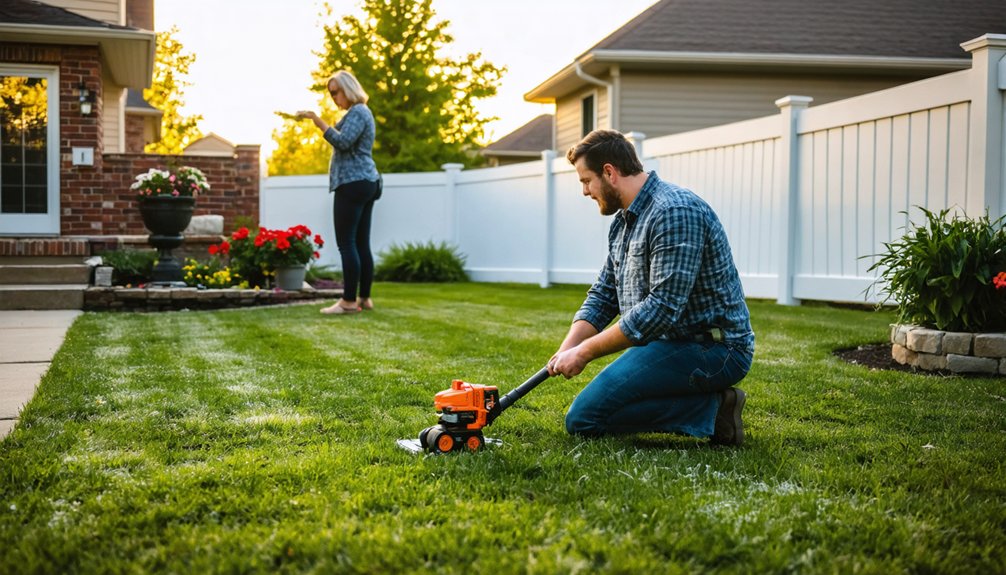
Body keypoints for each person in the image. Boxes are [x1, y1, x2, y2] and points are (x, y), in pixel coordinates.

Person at [546, 130, 754, 446]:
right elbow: (604, 294)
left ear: (609, 172)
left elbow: (662, 308)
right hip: (666, 345)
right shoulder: (624, 222)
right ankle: (705, 405)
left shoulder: (675, 211)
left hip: (714, 349)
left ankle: (715, 411)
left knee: (584, 419)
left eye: (585, 181)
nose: (585, 191)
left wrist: (585, 352)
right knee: (593, 413)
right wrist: (568, 348)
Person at [298, 70, 380, 315]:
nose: (334, 97)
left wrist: (317, 120)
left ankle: (348, 302)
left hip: (353, 183)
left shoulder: (358, 111)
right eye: (330, 93)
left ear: (348, 88)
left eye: (336, 92)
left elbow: (343, 142)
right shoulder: (361, 112)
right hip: (365, 181)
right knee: (361, 244)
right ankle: (364, 298)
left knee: (347, 244)